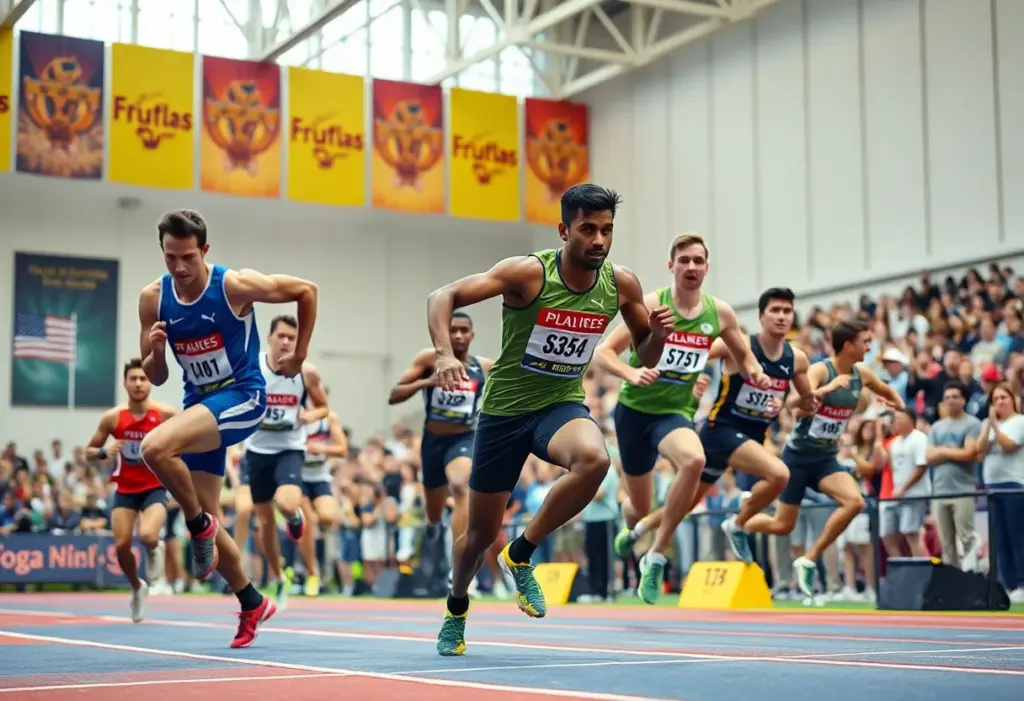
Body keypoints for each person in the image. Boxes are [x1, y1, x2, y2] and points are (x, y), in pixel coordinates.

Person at [427, 184, 674, 656]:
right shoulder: (528, 274)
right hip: (504, 413)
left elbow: (647, 350)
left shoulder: (621, 285)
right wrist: (442, 353)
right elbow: (444, 295)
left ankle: (521, 552)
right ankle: (456, 606)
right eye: (587, 229)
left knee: (594, 460)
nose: (599, 240)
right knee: (477, 535)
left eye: (607, 230)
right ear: (564, 230)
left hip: (559, 403)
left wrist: (657, 335)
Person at [137, 209, 318, 647]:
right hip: (199, 405)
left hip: (243, 398)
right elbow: (156, 376)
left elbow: (305, 290)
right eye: (170, 258)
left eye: (187, 258)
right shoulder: (153, 299)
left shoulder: (232, 285)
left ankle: (197, 527)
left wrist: (299, 355)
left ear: (204, 251)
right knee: (210, 520)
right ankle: (251, 599)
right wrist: (157, 352)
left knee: (154, 448)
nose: (179, 268)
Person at [593, 233, 770, 603]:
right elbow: (604, 352)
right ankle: (634, 528)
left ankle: (656, 555)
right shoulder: (652, 303)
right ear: (671, 265)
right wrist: (631, 374)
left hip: (674, 413)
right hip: (634, 413)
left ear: (707, 268)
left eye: (698, 261)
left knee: (695, 460)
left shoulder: (719, 313)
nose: (691, 267)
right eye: (684, 260)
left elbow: (745, 353)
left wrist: (759, 375)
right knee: (639, 505)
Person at [612, 287, 821, 574]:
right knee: (780, 474)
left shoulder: (797, 360)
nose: (782, 317)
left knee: (685, 504)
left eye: (787, 311)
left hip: (749, 439)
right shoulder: (739, 344)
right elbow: (690, 354)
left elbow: (803, 404)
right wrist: (692, 385)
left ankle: (639, 530)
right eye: (775, 310)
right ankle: (737, 524)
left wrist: (783, 405)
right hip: (720, 431)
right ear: (761, 316)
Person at [742, 319, 905, 597]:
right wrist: (828, 389)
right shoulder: (820, 370)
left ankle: (808, 558)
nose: (869, 346)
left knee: (854, 502)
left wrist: (896, 404)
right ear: (847, 345)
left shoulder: (862, 375)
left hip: (826, 458)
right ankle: (740, 520)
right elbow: (792, 404)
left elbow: (887, 390)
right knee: (782, 525)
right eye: (865, 342)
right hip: (798, 457)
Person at [388, 312, 493, 593]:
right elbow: (394, 394)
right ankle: (434, 533)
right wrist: (426, 383)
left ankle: (459, 566)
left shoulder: (483, 368)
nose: (458, 336)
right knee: (433, 517)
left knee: (460, 486)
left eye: (464, 331)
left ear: (472, 335)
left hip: (464, 439)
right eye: (453, 330)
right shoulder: (428, 360)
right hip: (433, 442)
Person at [244, 315, 329, 608]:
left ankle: (295, 518)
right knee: (265, 523)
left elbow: (323, 408)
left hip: (289, 449)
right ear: (269, 338)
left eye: (291, 338)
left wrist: (311, 415)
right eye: (280, 336)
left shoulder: (307, 372)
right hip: (256, 452)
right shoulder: (251, 365)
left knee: (288, 503)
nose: (285, 342)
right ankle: (280, 578)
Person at [85, 358, 177, 622]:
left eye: (143, 379)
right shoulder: (114, 418)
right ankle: (137, 586)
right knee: (122, 545)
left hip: (154, 486)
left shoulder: (164, 414)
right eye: (133, 379)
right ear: (125, 383)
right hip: (125, 487)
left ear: (150, 383)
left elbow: (186, 436)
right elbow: (88, 452)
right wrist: (104, 451)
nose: (138, 384)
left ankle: (153, 547)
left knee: (148, 535)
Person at [299, 396, 348, 596]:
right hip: (298, 476)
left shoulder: (330, 419)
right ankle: (312, 573)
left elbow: (342, 449)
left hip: (319, 476)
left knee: (328, 517)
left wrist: (323, 448)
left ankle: (308, 532)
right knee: (307, 522)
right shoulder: (295, 417)